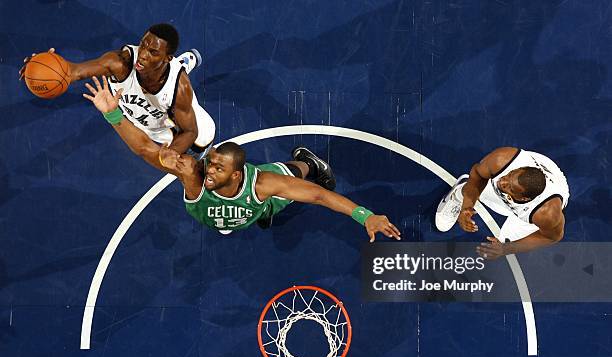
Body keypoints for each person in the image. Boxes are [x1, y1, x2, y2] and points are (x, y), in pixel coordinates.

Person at [83, 75, 401, 242]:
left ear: (237, 175)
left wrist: (364, 216)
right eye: (212, 161)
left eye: (218, 167)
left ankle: (310, 163)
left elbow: (318, 195)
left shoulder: (262, 183)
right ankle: (242, 219)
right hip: (223, 215)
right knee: (230, 223)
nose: (209, 169)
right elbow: (145, 149)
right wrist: (112, 114)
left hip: (262, 201)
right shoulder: (193, 173)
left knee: (296, 174)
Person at [19, 23, 214, 170]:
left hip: (176, 127)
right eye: (143, 45)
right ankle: (184, 61)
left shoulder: (179, 89)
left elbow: (189, 131)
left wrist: (170, 153)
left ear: (167, 57)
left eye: (153, 51)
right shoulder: (120, 63)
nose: (143, 54)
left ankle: (183, 63)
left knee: (201, 148)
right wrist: (46, 66)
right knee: (152, 71)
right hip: (142, 120)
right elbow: (74, 72)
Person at [435, 147, 569, 259]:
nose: (502, 182)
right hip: (539, 170)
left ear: (523, 199)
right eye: (510, 175)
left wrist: (506, 249)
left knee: (504, 243)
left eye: (510, 188)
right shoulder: (503, 161)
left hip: (534, 208)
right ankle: (458, 194)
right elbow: (478, 174)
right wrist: (466, 207)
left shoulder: (545, 214)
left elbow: (552, 237)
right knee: (473, 189)